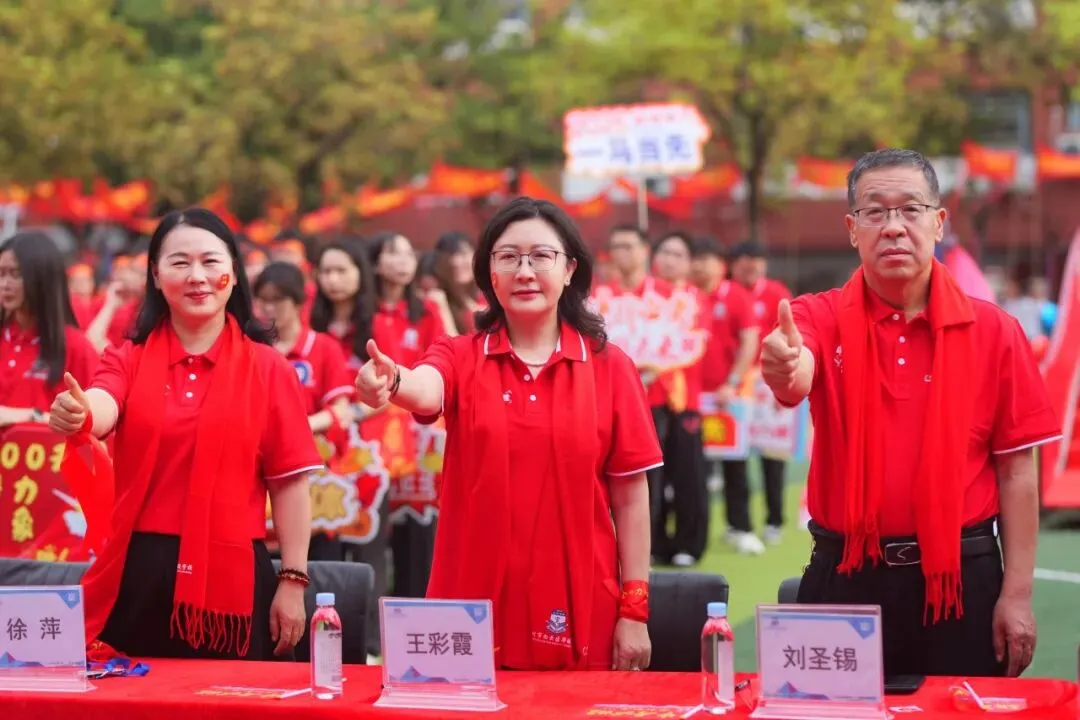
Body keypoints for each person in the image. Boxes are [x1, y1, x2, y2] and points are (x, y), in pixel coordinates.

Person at [761, 148, 1061, 678]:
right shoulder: (819, 315)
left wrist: (1016, 597)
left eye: (910, 210)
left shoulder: (994, 332)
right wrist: (787, 366)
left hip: (962, 581)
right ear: (853, 229)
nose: (893, 227)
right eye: (875, 212)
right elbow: (797, 366)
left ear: (938, 222)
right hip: (844, 575)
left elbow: (1018, 473)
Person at [355, 197, 661, 671]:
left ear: (569, 269)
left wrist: (634, 607)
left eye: (541, 256)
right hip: (468, 609)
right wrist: (393, 380)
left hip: (578, 603)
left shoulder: (610, 366)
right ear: (489, 274)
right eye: (508, 257)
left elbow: (630, 493)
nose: (524, 271)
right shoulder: (460, 354)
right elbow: (426, 388)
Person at [49, 208, 324, 661]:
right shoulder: (129, 357)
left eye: (211, 262)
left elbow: (290, 482)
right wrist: (79, 414)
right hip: (139, 574)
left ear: (234, 274)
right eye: (179, 263)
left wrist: (293, 581)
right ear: (156, 276)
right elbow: (102, 404)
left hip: (233, 579)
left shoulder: (270, 369)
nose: (196, 276)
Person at [253, 261, 356, 561]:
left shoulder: (323, 348)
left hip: (314, 472)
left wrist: (297, 426)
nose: (270, 308)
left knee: (319, 565)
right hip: (261, 470)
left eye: (278, 300)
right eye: (264, 300)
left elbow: (340, 410)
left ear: (298, 301)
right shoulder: (254, 349)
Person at [689, 236, 763, 555]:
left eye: (706, 259)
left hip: (726, 396)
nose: (700, 266)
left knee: (734, 463)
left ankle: (740, 527)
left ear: (721, 265)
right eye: (696, 260)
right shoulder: (685, 297)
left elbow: (749, 342)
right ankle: (693, 532)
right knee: (690, 466)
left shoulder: (736, 296)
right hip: (688, 397)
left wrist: (732, 382)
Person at [649, 231, 709, 567]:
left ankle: (689, 542)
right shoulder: (642, 300)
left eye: (678, 254)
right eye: (665, 252)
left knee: (688, 471)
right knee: (650, 474)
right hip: (648, 397)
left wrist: (658, 361)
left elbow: (693, 343)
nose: (670, 259)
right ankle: (655, 541)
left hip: (685, 398)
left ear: (688, 264)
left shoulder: (696, 300)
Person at [0, 232, 98, 427]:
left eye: (16, 274)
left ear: (42, 278)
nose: (5, 284)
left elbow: (95, 423)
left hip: (47, 454)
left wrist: (30, 416)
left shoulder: (75, 346)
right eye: (1, 274)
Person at [729, 240, 792, 545]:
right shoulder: (727, 293)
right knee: (733, 455)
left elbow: (790, 334)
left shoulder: (776, 293)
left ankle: (775, 519)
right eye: (743, 262)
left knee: (772, 454)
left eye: (756, 262)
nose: (750, 268)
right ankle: (737, 522)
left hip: (767, 384)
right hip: (737, 387)